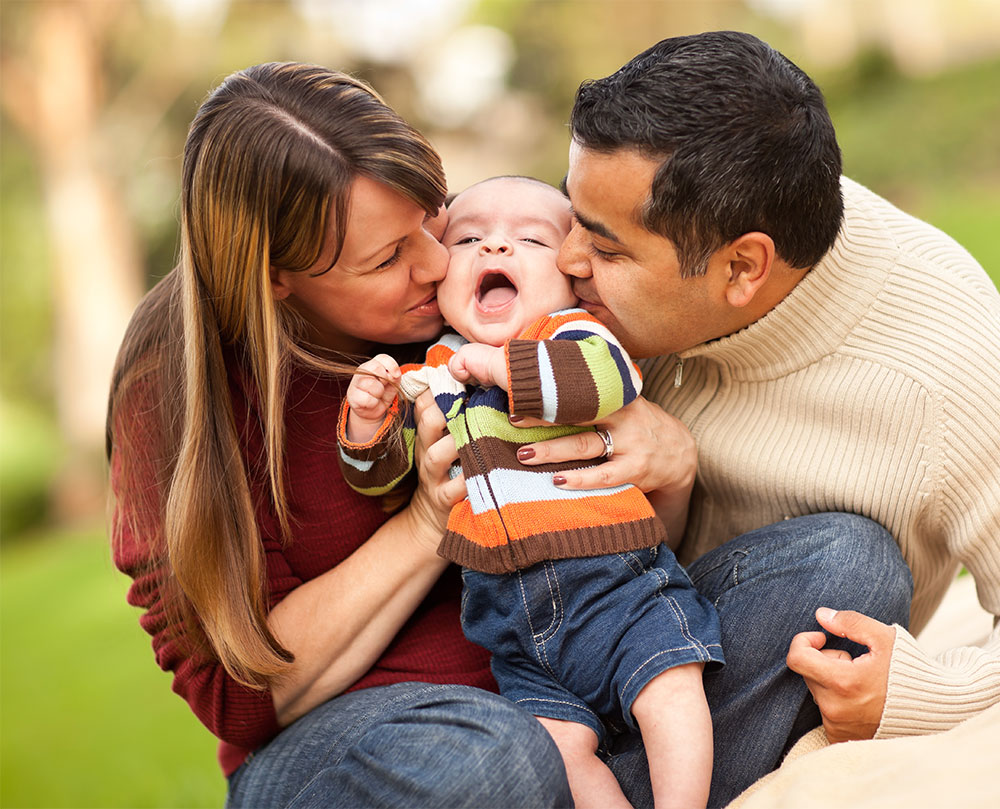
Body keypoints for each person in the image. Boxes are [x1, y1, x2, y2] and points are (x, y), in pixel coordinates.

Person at [508, 30, 999, 807]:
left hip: (721, 663)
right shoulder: (594, 265)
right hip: (536, 618)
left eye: (603, 247)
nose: (564, 259)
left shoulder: (947, 363)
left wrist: (926, 687)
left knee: (849, 566)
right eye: (570, 214)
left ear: (742, 267)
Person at [106, 63, 575, 809]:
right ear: (275, 278)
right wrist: (429, 520)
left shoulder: (489, 284)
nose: (436, 261)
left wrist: (668, 462)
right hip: (372, 748)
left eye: (432, 214)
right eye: (388, 258)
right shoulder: (176, 388)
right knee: (486, 758)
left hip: (569, 689)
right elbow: (240, 693)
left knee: (817, 562)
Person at [338, 175, 723, 809]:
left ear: (573, 272)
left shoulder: (575, 335)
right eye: (468, 238)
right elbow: (380, 479)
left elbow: (606, 383)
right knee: (555, 748)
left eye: (529, 239)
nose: (495, 249)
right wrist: (366, 421)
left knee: (669, 690)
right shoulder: (430, 371)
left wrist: (499, 367)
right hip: (510, 626)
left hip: (618, 588)